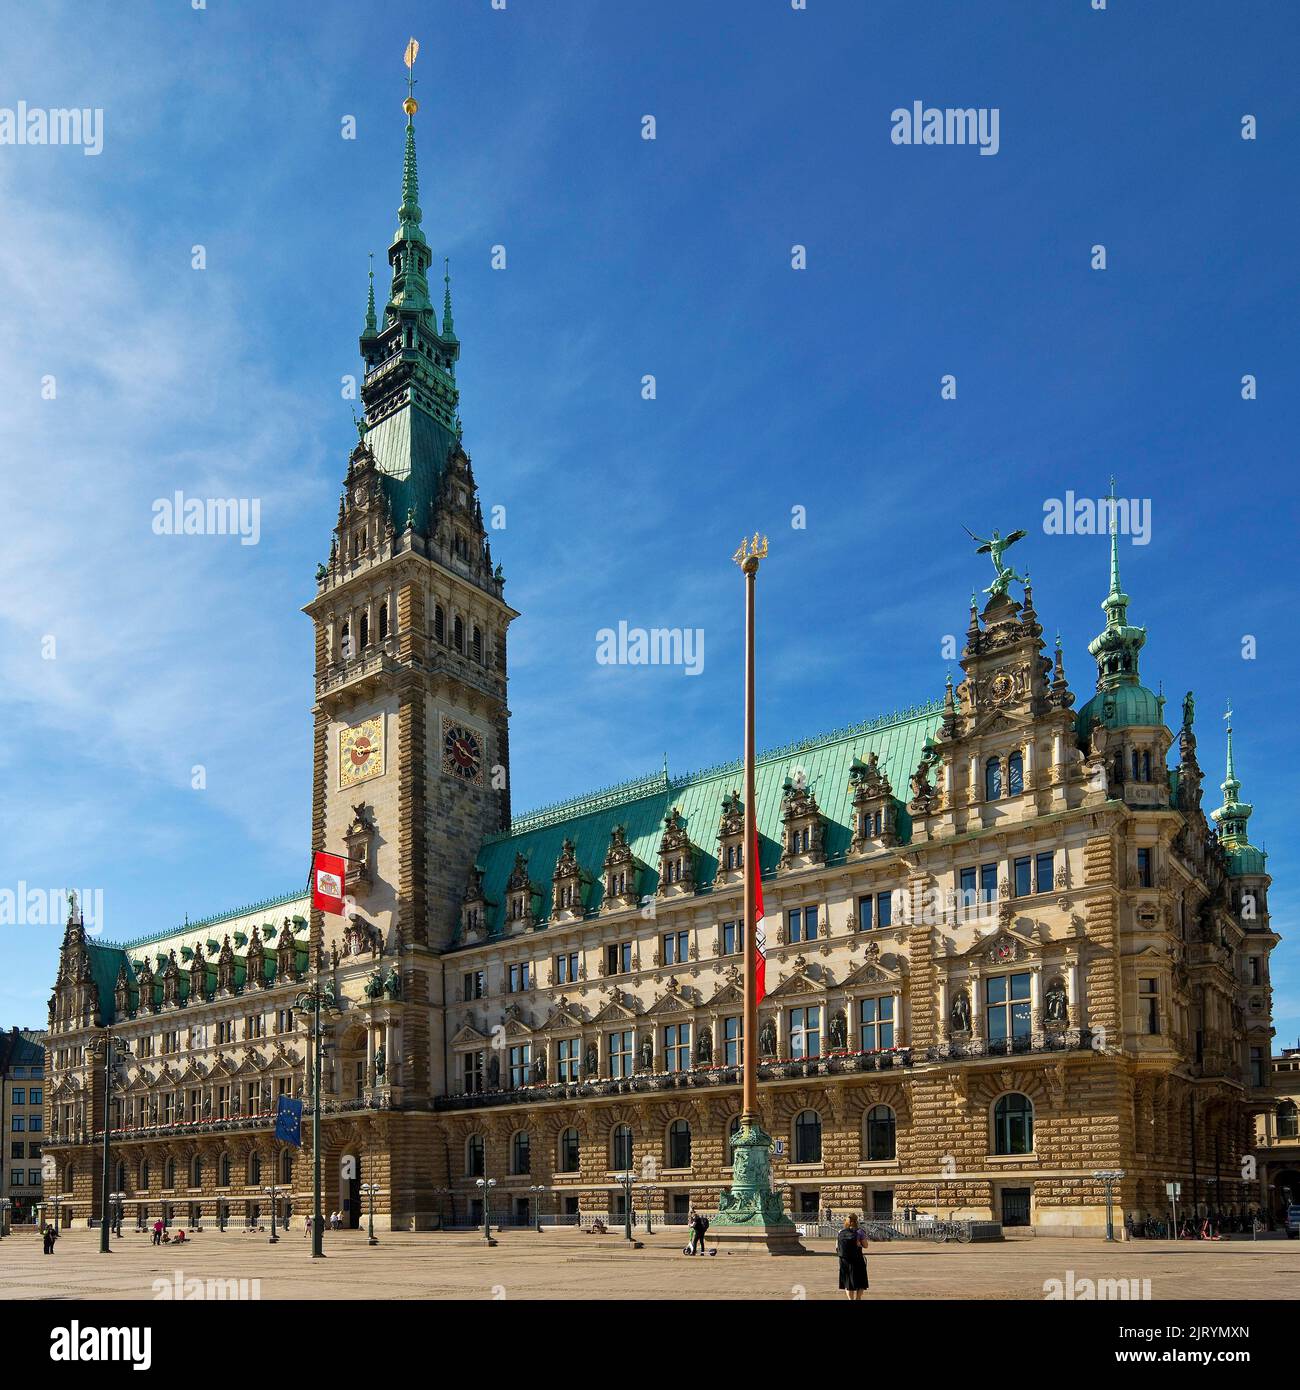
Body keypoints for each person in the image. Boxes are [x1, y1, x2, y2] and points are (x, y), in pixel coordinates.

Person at [837, 1214, 869, 1300]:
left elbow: (837, 1247)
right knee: (860, 1280)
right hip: (857, 1259)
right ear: (856, 1221)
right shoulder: (860, 1232)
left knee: (848, 1282)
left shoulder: (840, 1232)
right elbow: (866, 1245)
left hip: (844, 1260)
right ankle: (858, 1298)